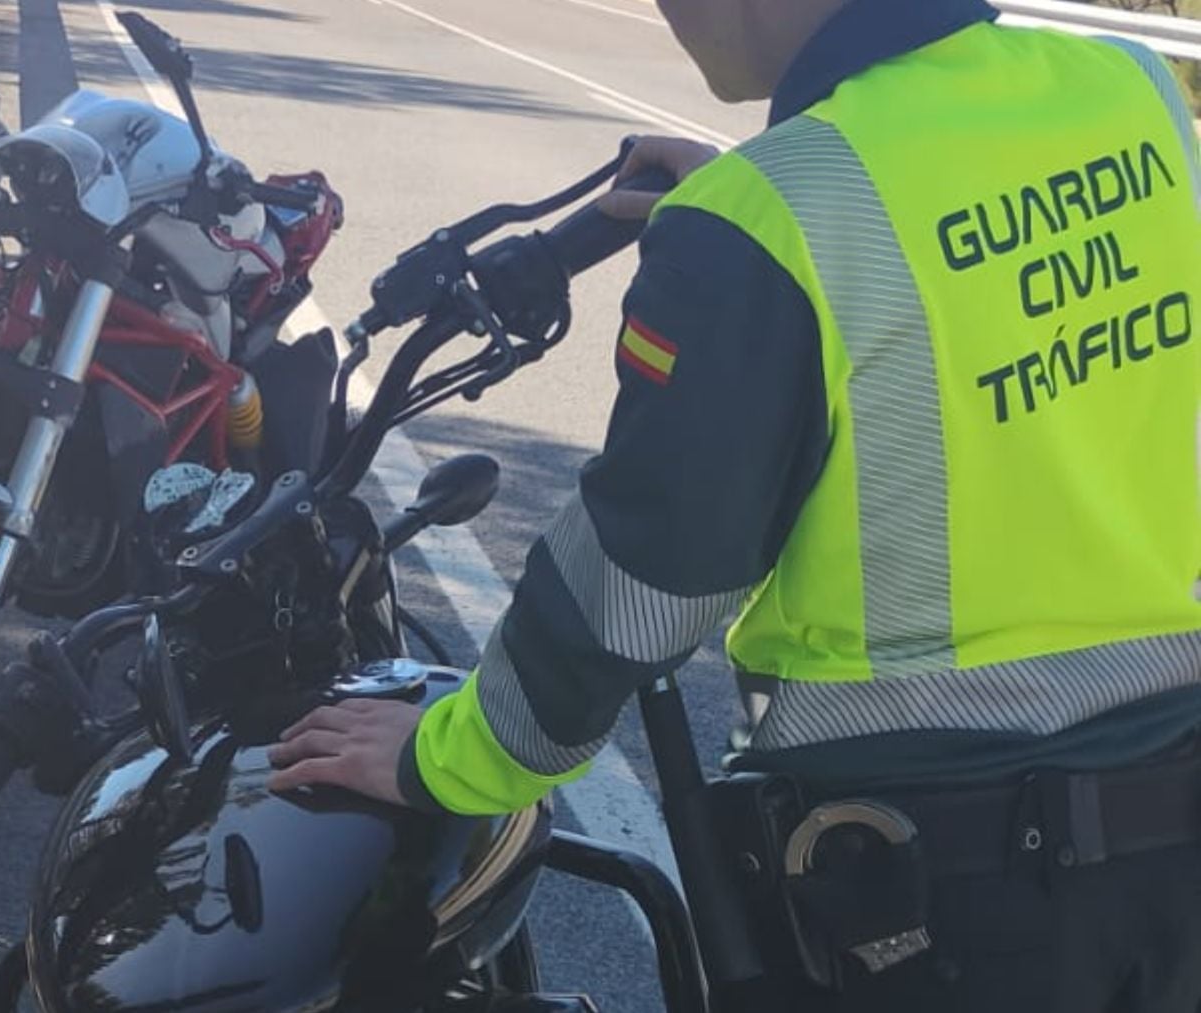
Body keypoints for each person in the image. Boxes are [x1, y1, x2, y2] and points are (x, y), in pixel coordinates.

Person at [268, 0, 1201, 1008]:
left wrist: (445, 760)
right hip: (1168, 832)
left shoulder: (769, 220)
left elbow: (640, 585)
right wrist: (763, 208)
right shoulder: (1132, 91)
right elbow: (974, 283)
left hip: (928, 898)